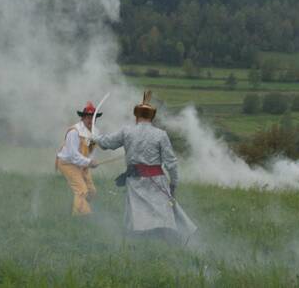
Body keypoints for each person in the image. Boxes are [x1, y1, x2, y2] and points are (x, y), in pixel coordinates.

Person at [92, 91, 197, 242]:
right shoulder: (161, 134)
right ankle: (159, 241)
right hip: (157, 181)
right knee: (162, 215)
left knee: (138, 217)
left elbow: (106, 143)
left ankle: (145, 241)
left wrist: (95, 135)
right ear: (152, 117)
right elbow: (171, 163)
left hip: (135, 182)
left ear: (136, 116)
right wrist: (173, 183)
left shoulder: (127, 131)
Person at [56, 101, 100, 216]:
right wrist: (89, 162)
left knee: (92, 192)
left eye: (93, 118)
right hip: (67, 163)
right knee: (82, 190)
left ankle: (79, 205)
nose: (91, 121)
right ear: (83, 118)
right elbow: (73, 155)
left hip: (82, 164)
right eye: (88, 117)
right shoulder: (74, 132)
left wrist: (90, 162)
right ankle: (81, 217)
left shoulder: (95, 133)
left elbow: (91, 152)